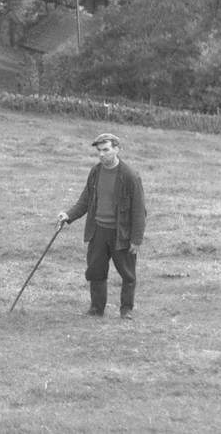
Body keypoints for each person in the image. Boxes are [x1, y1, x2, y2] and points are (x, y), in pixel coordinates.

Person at [57, 133, 147, 319]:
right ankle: (97, 309)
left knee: (128, 274)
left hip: (121, 234)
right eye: (99, 151)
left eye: (106, 150)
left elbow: (139, 211)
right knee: (96, 271)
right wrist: (68, 215)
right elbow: (85, 200)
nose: (101, 154)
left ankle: (126, 310)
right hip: (98, 231)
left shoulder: (130, 176)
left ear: (116, 149)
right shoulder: (96, 172)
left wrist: (136, 240)